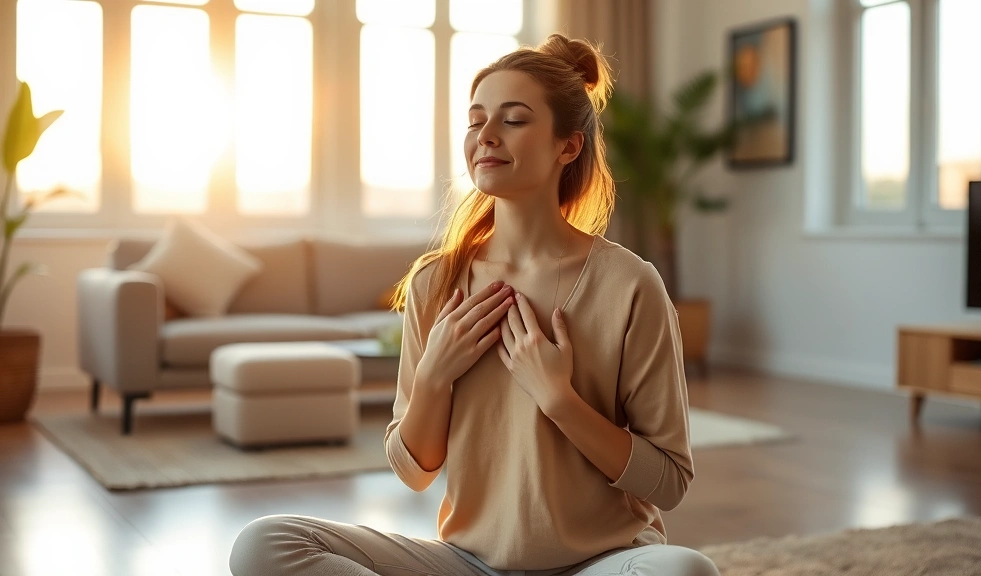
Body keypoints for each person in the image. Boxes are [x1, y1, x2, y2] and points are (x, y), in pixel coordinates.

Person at [229, 33, 719, 576]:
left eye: (513, 119)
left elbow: (669, 482)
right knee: (265, 544)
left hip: (602, 563)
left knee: (685, 572)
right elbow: (413, 471)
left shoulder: (630, 285)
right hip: (469, 564)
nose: (485, 136)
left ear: (568, 146)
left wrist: (560, 401)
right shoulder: (435, 282)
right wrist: (435, 375)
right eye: (476, 119)